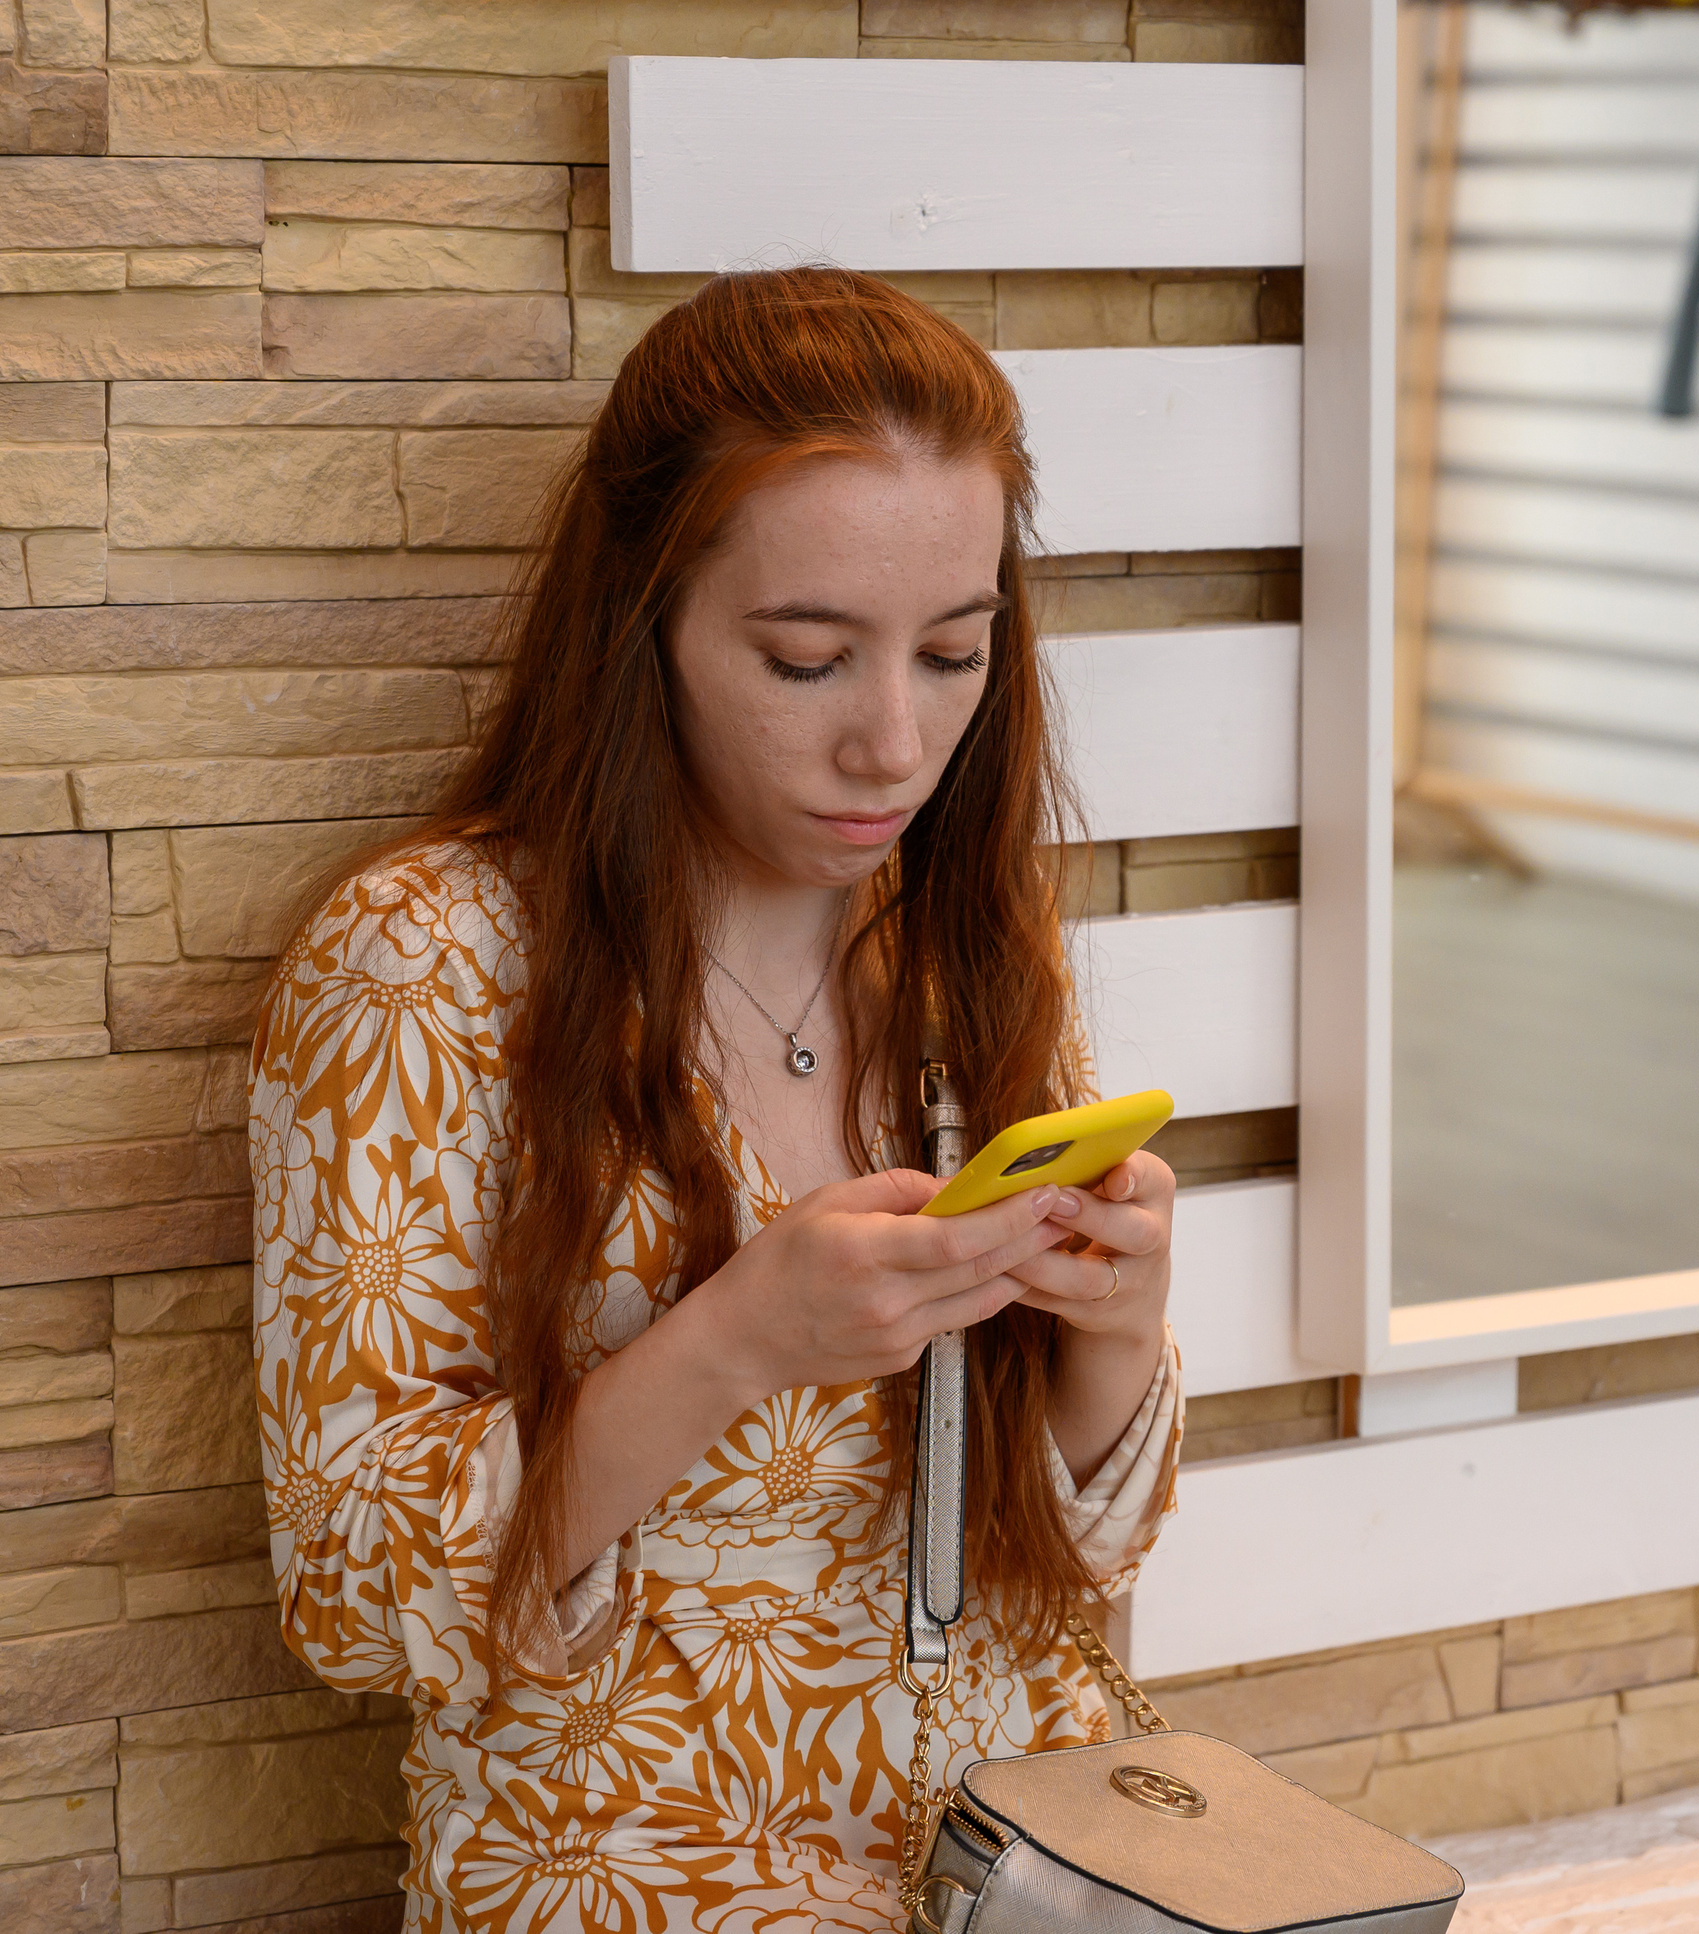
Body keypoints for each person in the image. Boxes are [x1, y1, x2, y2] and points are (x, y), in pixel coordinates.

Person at [248, 266, 1182, 1930]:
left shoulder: (962, 943)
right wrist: (738, 1336)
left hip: (1022, 1875)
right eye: (809, 659)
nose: (896, 743)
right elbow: (346, 1598)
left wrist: (1116, 1327)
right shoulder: (428, 962)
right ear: (645, 623)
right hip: (640, 1885)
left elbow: (1082, 1563)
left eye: (955, 652)